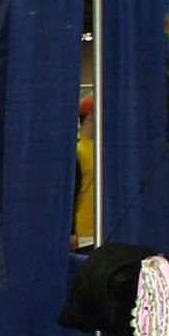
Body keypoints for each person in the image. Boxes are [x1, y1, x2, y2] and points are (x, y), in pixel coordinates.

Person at [72, 93, 95, 251]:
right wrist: (71, 231)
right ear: (90, 117)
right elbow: (71, 194)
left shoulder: (102, 149)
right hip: (83, 235)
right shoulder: (77, 151)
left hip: (103, 228)